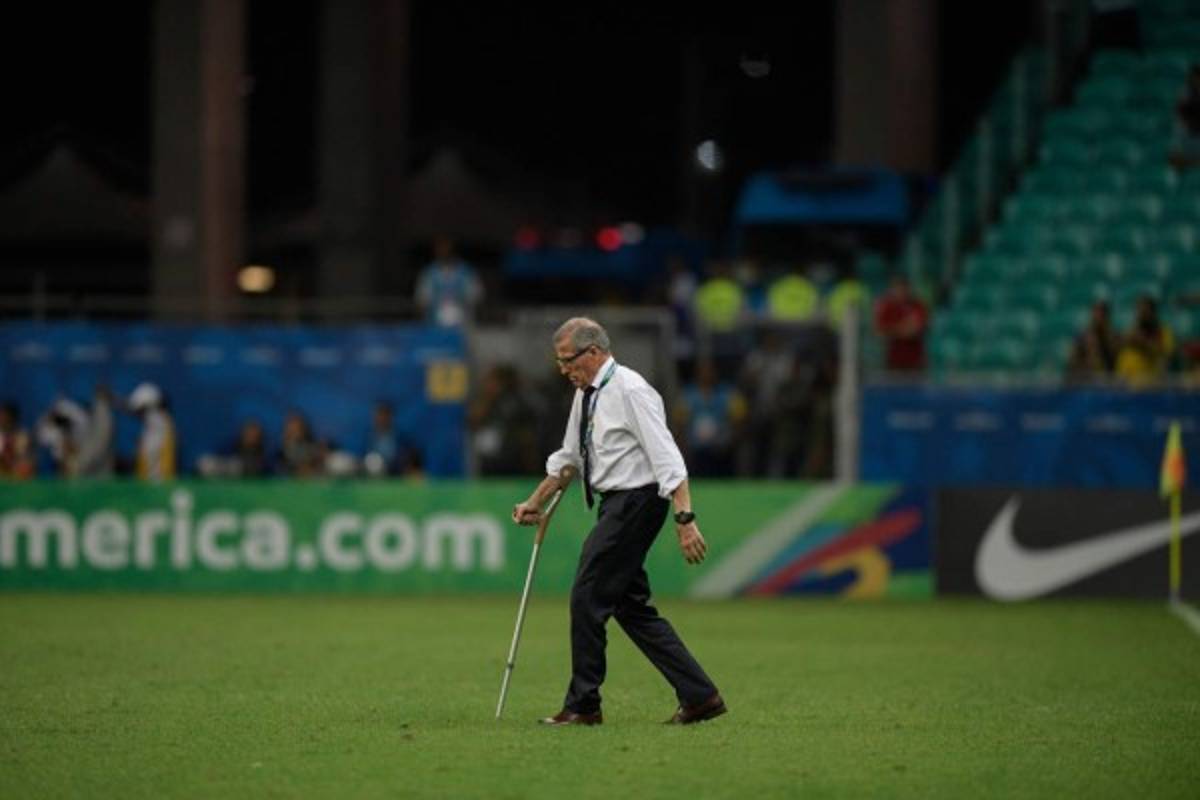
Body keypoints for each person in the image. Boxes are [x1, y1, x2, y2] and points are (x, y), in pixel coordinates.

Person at [511, 317, 725, 727]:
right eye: (559, 362)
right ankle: (701, 696)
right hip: (616, 505)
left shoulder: (630, 389)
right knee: (632, 609)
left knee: (587, 594)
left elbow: (667, 457)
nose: (563, 369)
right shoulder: (586, 394)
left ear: (593, 352)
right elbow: (569, 458)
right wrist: (536, 500)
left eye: (567, 360)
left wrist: (685, 518)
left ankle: (584, 705)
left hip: (637, 502)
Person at [415, 235, 483, 327]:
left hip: (461, 322)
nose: (444, 252)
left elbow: (475, 296)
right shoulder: (429, 273)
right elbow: (422, 299)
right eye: (440, 250)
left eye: (447, 250)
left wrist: (461, 304)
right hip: (435, 323)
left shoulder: (466, 272)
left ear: (453, 251)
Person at [1116, 295, 1175, 387]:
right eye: (1139, 310)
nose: (1141, 314)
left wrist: (1144, 343)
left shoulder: (1163, 331)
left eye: (1145, 311)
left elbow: (1167, 354)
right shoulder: (1131, 331)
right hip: (1126, 384)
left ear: (1153, 312)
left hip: (1150, 385)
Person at [874, 273, 929, 372]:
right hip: (893, 361)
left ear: (908, 288)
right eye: (896, 288)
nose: (900, 291)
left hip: (915, 361)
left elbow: (915, 330)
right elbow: (880, 331)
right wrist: (903, 327)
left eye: (902, 288)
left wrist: (894, 329)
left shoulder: (917, 305)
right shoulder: (887, 306)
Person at [128, 382, 176, 481]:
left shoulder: (158, 419)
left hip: (158, 479)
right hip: (150, 477)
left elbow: (133, 410)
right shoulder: (156, 421)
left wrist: (115, 400)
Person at [1067, 300, 1120, 379]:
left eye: (1102, 314)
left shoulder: (1114, 337)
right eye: (1096, 313)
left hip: (1109, 381)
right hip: (1087, 381)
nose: (1099, 318)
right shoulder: (1082, 337)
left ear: (1107, 316)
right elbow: (1072, 362)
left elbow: (1117, 362)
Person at [0, 402, 35, 479]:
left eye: (3, 416)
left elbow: (24, 458)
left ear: (11, 418)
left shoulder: (22, 435)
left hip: (16, 477)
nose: (1, 419)